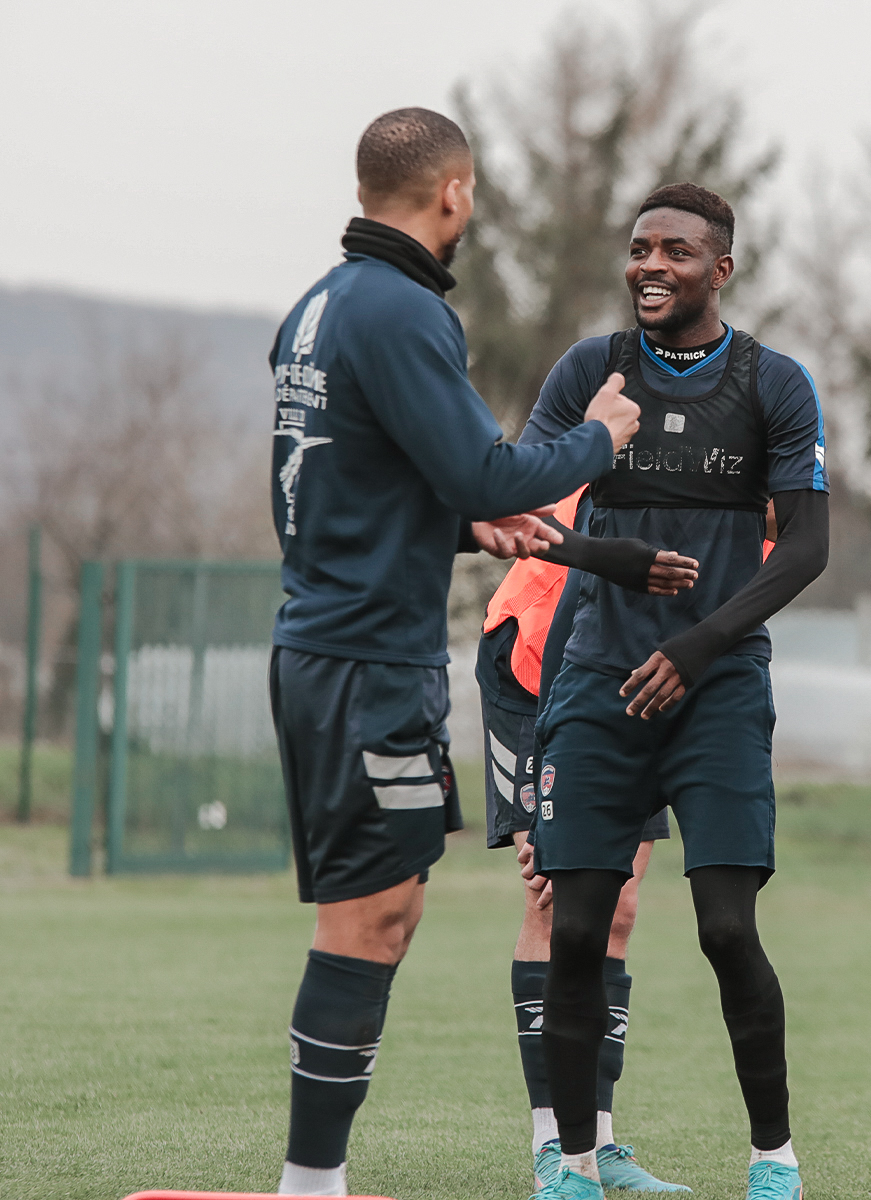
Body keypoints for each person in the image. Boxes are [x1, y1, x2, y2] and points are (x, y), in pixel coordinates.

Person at [266, 106, 642, 1198]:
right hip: (365, 659)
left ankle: (313, 1179)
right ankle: (310, 1183)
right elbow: (485, 469)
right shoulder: (402, 310)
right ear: (455, 194)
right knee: (372, 912)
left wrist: (461, 528)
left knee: (388, 906)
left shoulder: (316, 306)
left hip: (332, 648)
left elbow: (353, 484)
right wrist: (596, 441)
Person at [518, 182, 829, 1200]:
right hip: (599, 681)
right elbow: (511, 509)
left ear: (721, 268)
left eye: (678, 252)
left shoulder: (773, 383)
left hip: (719, 684)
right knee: (573, 931)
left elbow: (807, 549)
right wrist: (613, 558)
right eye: (641, 249)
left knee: (726, 929)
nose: (652, 267)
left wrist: (697, 648)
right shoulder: (590, 371)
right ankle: (569, 1168)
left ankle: (773, 1162)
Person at [477, 486, 697, 1194]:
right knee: (553, 898)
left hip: (632, 679)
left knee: (620, 904)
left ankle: (597, 1141)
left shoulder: (750, 513)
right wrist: (541, 796)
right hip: (534, 664)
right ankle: (552, 1141)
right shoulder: (641, 475)